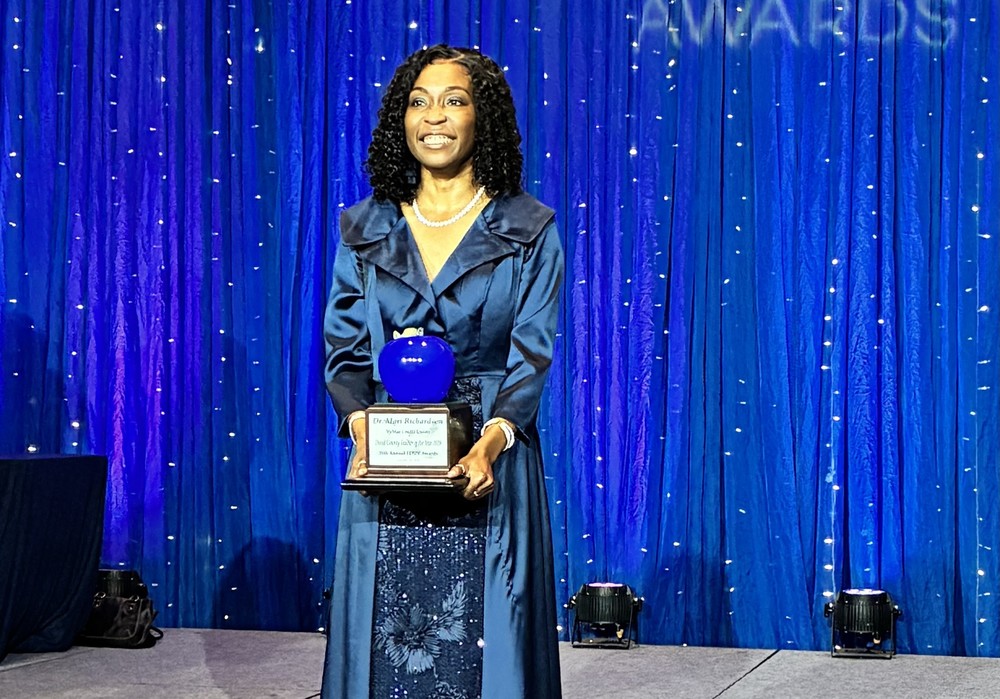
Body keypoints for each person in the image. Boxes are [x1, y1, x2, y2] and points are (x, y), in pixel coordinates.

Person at [321, 45, 564, 699]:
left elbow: (531, 355)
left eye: (454, 100)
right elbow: (344, 353)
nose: (434, 115)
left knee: (484, 648)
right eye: (418, 101)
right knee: (389, 649)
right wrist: (360, 427)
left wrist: (491, 441)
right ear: (401, 119)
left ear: (483, 118)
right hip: (386, 458)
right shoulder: (362, 228)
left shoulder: (529, 229)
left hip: (489, 457)